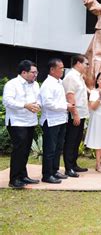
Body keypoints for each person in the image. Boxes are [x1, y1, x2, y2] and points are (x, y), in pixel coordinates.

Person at [3, 60, 41, 188]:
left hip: (30, 121)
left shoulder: (35, 85)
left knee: (25, 150)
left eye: (36, 72)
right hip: (16, 121)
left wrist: (37, 106)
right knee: (19, 150)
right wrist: (25, 105)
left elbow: (39, 99)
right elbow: (7, 101)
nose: (36, 75)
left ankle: (23, 176)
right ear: (24, 72)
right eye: (33, 72)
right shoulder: (12, 84)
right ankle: (14, 179)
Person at [39, 59, 73, 184]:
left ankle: (54, 170)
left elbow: (59, 100)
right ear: (52, 70)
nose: (62, 70)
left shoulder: (59, 82)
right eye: (60, 68)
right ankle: (47, 174)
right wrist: (65, 106)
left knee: (58, 148)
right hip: (51, 120)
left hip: (60, 119)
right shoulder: (48, 84)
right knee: (50, 149)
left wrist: (67, 104)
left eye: (63, 68)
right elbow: (48, 104)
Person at [62, 55, 90, 178]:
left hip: (81, 114)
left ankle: (74, 164)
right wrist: (75, 114)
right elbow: (70, 96)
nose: (87, 66)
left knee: (77, 140)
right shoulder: (71, 77)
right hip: (74, 114)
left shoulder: (79, 77)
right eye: (86, 64)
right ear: (78, 63)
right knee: (71, 141)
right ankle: (68, 168)